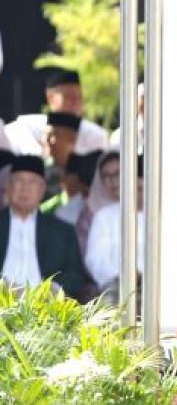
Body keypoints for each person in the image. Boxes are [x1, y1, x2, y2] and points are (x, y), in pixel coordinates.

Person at [0, 155, 85, 298]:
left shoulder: (62, 231)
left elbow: (75, 275)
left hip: (46, 308)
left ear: (42, 189)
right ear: (8, 186)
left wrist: (51, 291)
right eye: (19, 181)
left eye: (32, 182)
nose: (25, 188)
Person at [6, 69, 109, 155]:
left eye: (79, 98)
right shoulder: (27, 126)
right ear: (50, 97)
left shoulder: (96, 134)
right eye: (68, 97)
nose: (75, 103)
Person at [85, 153, 146, 299]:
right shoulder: (104, 216)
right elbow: (95, 259)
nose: (113, 181)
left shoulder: (171, 216)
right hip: (116, 284)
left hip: (164, 283)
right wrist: (126, 275)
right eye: (107, 176)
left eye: (141, 187)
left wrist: (146, 275)